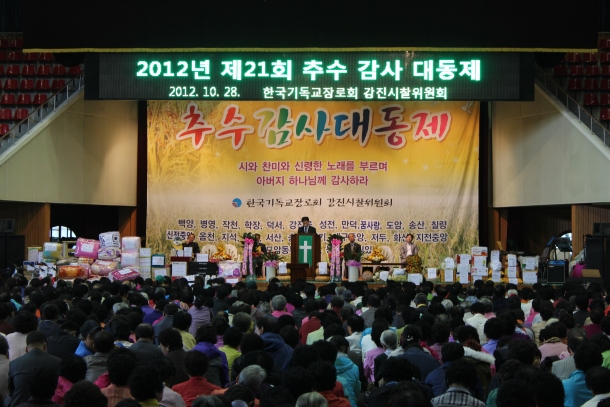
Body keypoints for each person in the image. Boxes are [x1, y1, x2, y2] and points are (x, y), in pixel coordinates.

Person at [8, 331, 61, 407]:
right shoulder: (58, 362)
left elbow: (11, 391)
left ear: (26, 349)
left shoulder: (14, 363)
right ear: (45, 346)